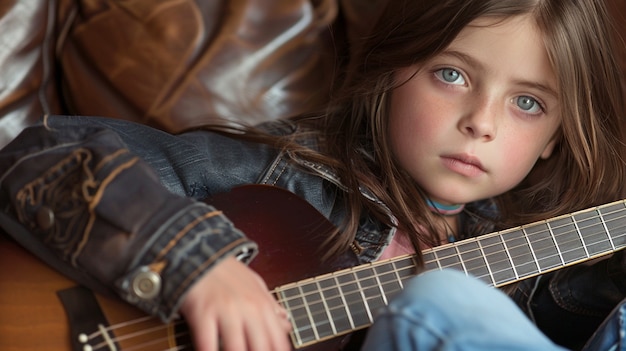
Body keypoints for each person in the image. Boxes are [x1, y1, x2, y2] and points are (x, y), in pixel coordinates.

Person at [1, 0, 625, 350]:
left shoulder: (547, 268)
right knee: (444, 300)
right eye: (452, 74)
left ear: (553, 141)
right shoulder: (279, 175)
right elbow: (42, 155)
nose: (480, 123)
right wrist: (195, 265)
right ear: (391, 73)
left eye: (528, 103)